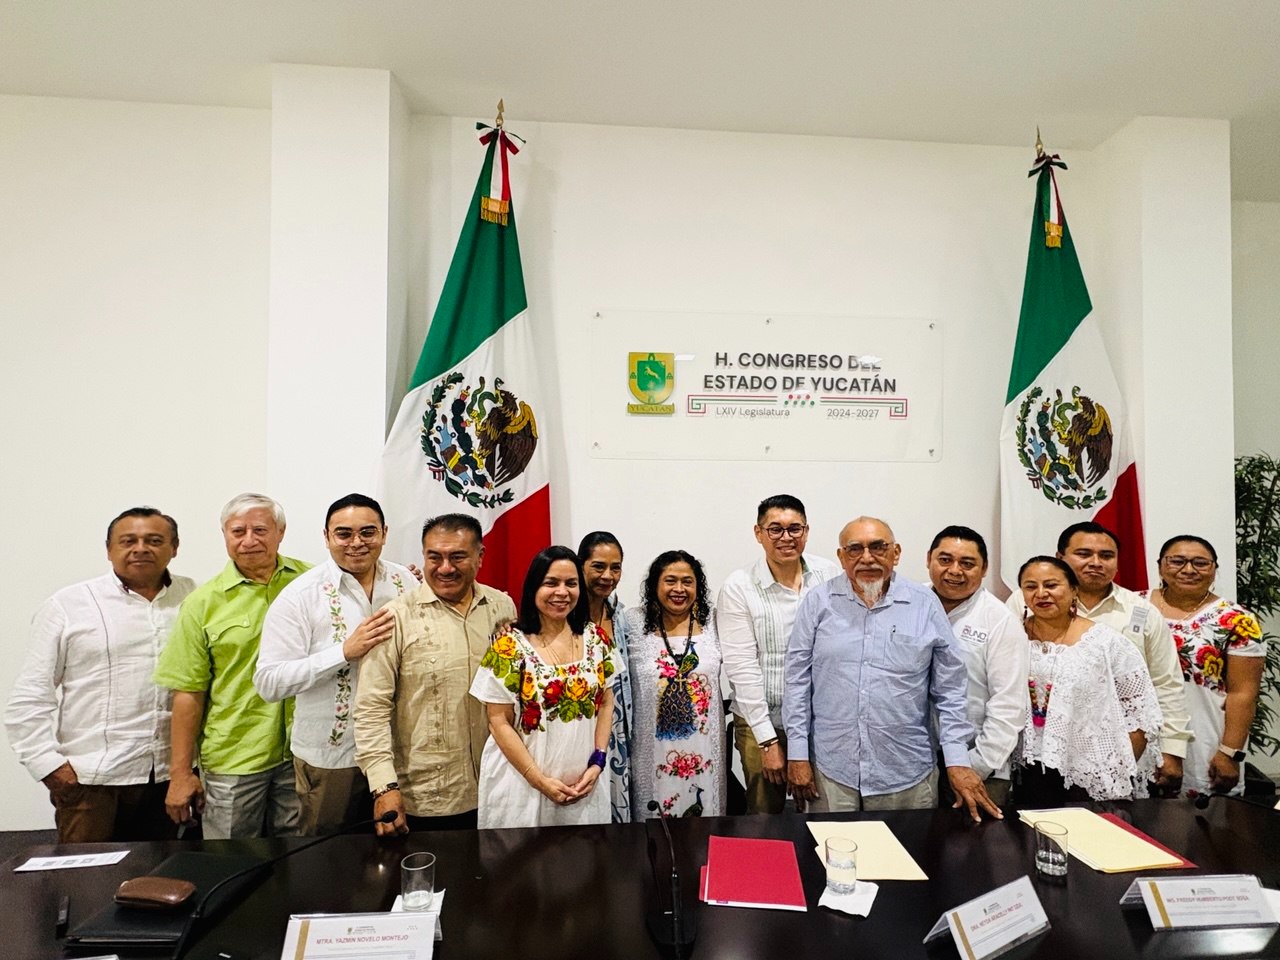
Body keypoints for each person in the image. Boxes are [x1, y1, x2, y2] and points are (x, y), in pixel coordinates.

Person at [784, 517, 1000, 821]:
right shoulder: (819, 602)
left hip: (906, 773)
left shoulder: (924, 604)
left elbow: (950, 689)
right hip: (831, 770)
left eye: (878, 547)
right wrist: (797, 754)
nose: (867, 558)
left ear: (896, 553)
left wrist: (956, 759)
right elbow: (797, 681)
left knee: (906, 852)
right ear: (841, 557)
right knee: (832, 850)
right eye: (855, 549)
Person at [5, 508, 195, 843]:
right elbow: (29, 697)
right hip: (91, 781)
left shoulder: (194, 598)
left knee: (162, 871)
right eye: (128, 541)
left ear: (174, 548)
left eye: (154, 540)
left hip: (169, 780)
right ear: (109, 549)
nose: (140, 549)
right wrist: (49, 767)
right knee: (87, 872)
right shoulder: (68, 605)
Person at [254, 494, 414, 835]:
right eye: (344, 534)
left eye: (368, 532)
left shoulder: (406, 583)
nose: (356, 543)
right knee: (328, 855)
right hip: (333, 758)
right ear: (326, 537)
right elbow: (268, 683)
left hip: (398, 754)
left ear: (384, 533)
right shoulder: (301, 596)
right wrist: (343, 652)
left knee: (397, 849)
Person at [154, 493, 308, 839]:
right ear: (224, 534)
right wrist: (180, 774)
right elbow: (187, 691)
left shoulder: (311, 583)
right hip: (235, 759)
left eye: (260, 530)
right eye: (238, 531)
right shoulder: (202, 604)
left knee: (299, 857)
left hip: (301, 754)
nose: (249, 540)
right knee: (231, 859)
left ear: (280, 532)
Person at [353, 513, 517, 835]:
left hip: (498, 787)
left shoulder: (502, 608)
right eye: (434, 557)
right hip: (426, 796)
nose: (445, 568)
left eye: (457, 557)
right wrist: (383, 787)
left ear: (480, 557)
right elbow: (371, 709)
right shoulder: (394, 618)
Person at [1008, 521, 1191, 794]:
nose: (1095, 563)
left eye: (1106, 556)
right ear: (1061, 557)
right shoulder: (1021, 602)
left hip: (1103, 758)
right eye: (1084, 554)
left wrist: (1171, 750)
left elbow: (1164, 685)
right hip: (1032, 755)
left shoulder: (1139, 612)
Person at [469, 546, 615, 828]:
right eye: (551, 583)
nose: (562, 592)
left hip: (585, 782)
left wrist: (598, 761)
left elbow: (607, 702)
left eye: (571, 583)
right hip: (522, 786)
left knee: (585, 854)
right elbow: (498, 722)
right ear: (533, 587)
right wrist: (538, 780)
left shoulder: (596, 639)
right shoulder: (509, 647)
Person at [716, 494, 838, 814]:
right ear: (758, 533)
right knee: (764, 818)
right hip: (763, 720)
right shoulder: (739, 586)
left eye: (795, 528)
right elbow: (741, 666)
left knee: (823, 811)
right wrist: (768, 741)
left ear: (806, 531)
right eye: (775, 529)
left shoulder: (828, 575)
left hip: (820, 722)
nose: (786, 537)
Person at [1013, 556, 1163, 804]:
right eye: (1031, 586)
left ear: (1074, 590)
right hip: (1024, 769)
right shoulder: (1011, 636)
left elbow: (1140, 713)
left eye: (1051, 585)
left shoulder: (1105, 643)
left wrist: (1116, 772)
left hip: (1090, 773)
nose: (1041, 593)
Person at [1142, 535, 1265, 797]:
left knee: (1199, 820)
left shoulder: (1237, 619)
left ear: (1214, 569)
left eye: (1200, 563)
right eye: (1177, 561)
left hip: (1202, 741)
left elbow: (1243, 693)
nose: (1188, 569)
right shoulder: (1132, 606)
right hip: (1135, 738)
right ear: (1160, 566)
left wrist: (1229, 752)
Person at [925, 525, 1027, 807]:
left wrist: (975, 766)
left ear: (984, 569)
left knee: (973, 836)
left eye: (967, 563)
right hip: (916, 763)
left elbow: (1009, 705)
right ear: (929, 559)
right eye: (945, 560)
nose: (955, 570)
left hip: (978, 766)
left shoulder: (1000, 621)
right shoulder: (910, 603)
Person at [624, 550, 726, 818]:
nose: (679, 589)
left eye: (687, 582)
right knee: (653, 826)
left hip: (705, 750)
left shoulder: (715, 621)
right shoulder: (632, 622)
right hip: (652, 751)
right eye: (670, 581)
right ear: (655, 585)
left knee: (706, 819)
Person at [577, 531, 634, 823]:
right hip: (582, 732)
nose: (607, 576)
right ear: (581, 566)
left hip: (621, 731)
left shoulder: (622, 617)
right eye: (598, 566)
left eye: (615, 568)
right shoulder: (565, 619)